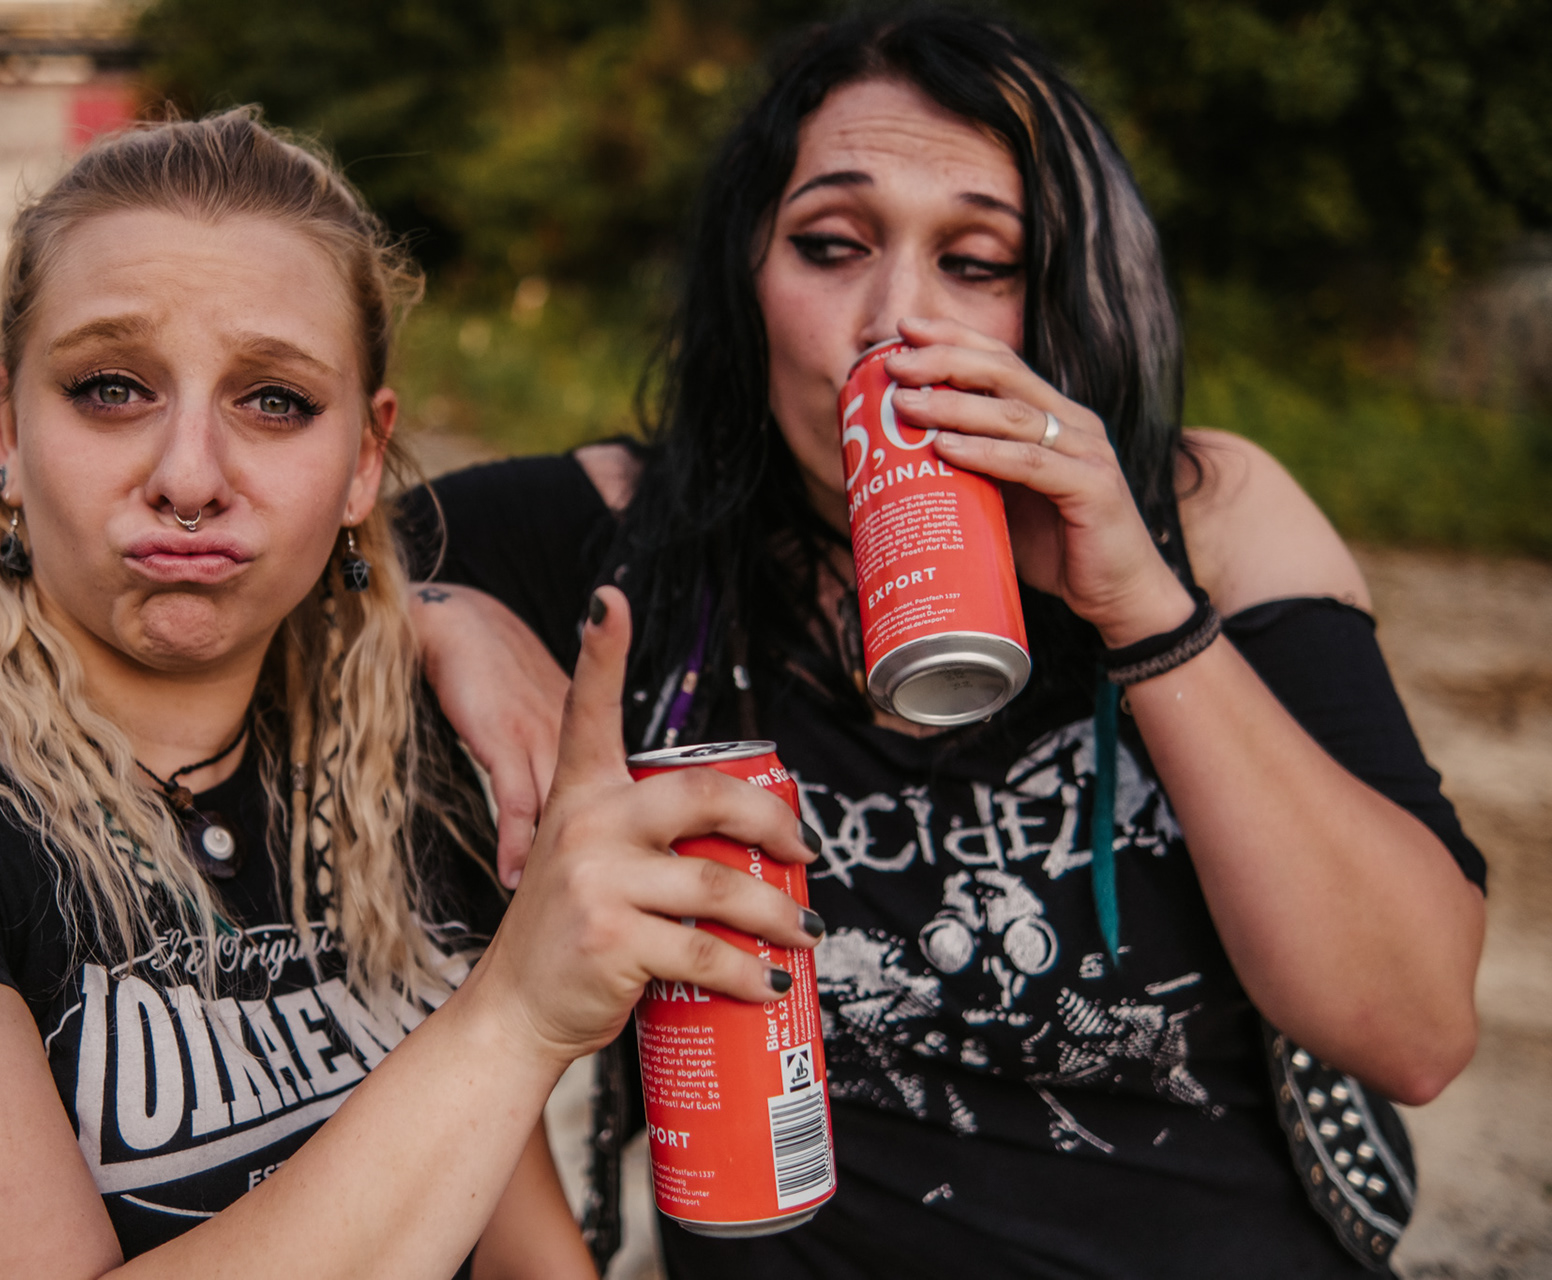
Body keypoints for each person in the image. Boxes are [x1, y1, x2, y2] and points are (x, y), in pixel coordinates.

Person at [0, 110, 825, 1280]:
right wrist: (513, 1015)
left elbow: (520, 1253)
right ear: (7, 427)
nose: (190, 476)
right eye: (111, 387)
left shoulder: (391, 779)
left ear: (364, 459)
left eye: (275, 400)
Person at [402, 10, 1487, 1277]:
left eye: (977, 262)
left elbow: (1414, 1029)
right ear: (750, 277)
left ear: (1066, 303)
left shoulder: (1207, 511)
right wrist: (437, 609)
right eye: (830, 244)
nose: (896, 319)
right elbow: (297, 542)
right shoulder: (630, 531)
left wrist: (1142, 604)